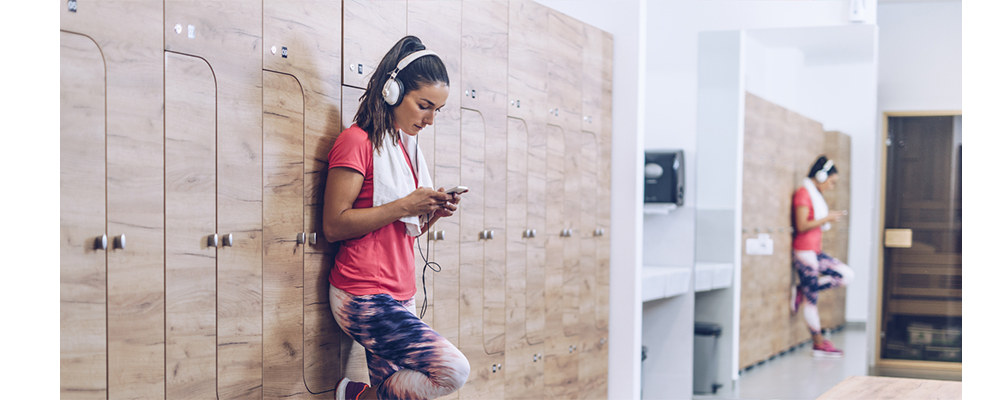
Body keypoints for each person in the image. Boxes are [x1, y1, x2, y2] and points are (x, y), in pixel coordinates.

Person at [323, 35, 470, 400]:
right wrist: (406, 204)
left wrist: (430, 213)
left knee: (402, 393)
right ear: (392, 90)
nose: (430, 119)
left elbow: (401, 230)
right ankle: (357, 397)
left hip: (400, 291)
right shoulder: (356, 142)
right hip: (362, 295)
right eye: (424, 106)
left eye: (438, 110)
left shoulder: (405, 151)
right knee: (452, 371)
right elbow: (334, 225)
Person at [790, 156, 855, 358]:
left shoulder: (813, 195)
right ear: (820, 176)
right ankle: (818, 343)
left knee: (845, 275)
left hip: (815, 252)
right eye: (831, 182)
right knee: (811, 301)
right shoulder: (803, 194)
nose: (831, 186)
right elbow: (801, 226)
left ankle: (802, 288)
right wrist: (825, 218)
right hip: (804, 252)